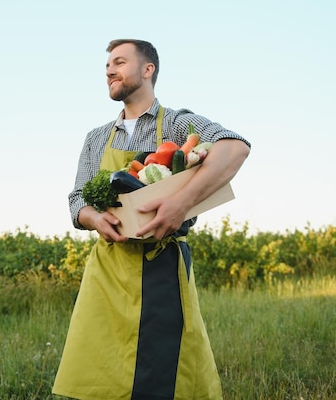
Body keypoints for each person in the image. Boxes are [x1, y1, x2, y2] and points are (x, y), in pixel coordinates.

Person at [52, 39, 251, 400]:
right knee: (102, 372)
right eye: (107, 66)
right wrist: (93, 218)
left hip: (163, 264)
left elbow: (234, 146)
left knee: (165, 374)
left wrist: (179, 204)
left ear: (148, 70)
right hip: (109, 269)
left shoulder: (177, 123)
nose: (110, 70)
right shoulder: (96, 138)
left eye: (120, 62)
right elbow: (77, 197)